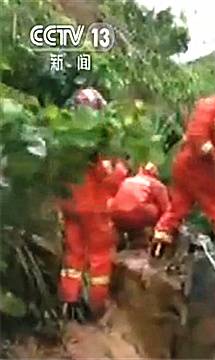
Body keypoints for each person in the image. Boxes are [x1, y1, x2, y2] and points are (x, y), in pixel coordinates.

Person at [150, 71, 215, 258]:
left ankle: (159, 247)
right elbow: (198, 136)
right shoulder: (209, 107)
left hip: (192, 167)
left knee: (178, 207)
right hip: (196, 167)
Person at [58, 88, 129, 320]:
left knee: (73, 254)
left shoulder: (67, 140)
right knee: (99, 257)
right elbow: (111, 178)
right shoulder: (101, 142)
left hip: (70, 206)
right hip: (94, 209)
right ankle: (95, 307)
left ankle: (69, 300)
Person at [108, 162, 169, 249]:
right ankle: (141, 239)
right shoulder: (157, 185)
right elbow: (166, 209)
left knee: (122, 204)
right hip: (138, 216)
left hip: (116, 215)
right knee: (158, 210)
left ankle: (119, 240)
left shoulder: (127, 180)